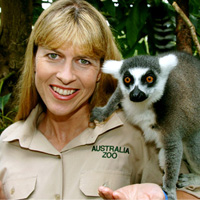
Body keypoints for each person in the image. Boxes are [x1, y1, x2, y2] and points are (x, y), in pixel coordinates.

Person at [0, 0, 199, 199]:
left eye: (84, 61)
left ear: (99, 72)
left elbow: (190, 191)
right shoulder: (6, 146)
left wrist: (163, 198)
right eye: (53, 55)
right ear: (34, 60)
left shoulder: (140, 134)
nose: (66, 76)